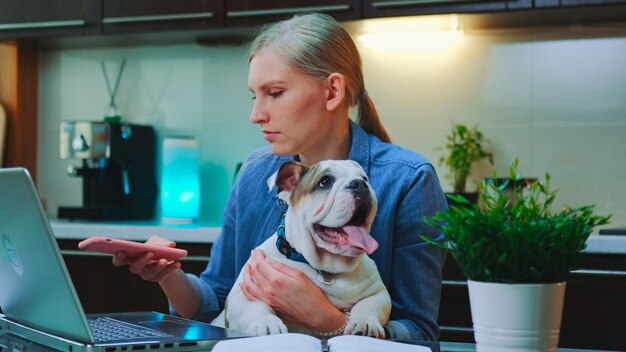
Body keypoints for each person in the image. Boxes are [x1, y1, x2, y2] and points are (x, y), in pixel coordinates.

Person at [113, 12, 447, 341]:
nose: (256, 114)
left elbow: (421, 335)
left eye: (274, 93)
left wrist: (324, 319)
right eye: (254, 95)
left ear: (332, 92)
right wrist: (168, 274)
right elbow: (215, 304)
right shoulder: (255, 173)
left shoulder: (409, 181)